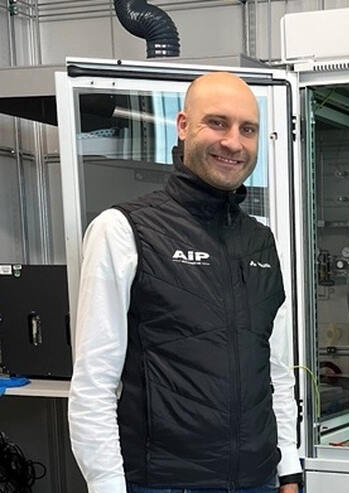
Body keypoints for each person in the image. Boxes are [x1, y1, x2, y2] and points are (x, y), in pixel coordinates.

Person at [68, 72, 302, 493]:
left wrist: (288, 469)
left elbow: (277, 372)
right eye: (217, 122)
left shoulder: (263, 242)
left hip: (258, 480)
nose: (233, 142)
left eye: (247, 129)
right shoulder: (124, 230)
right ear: (183, 126)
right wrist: (107, 487)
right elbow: (93, 382)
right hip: (163, 483)